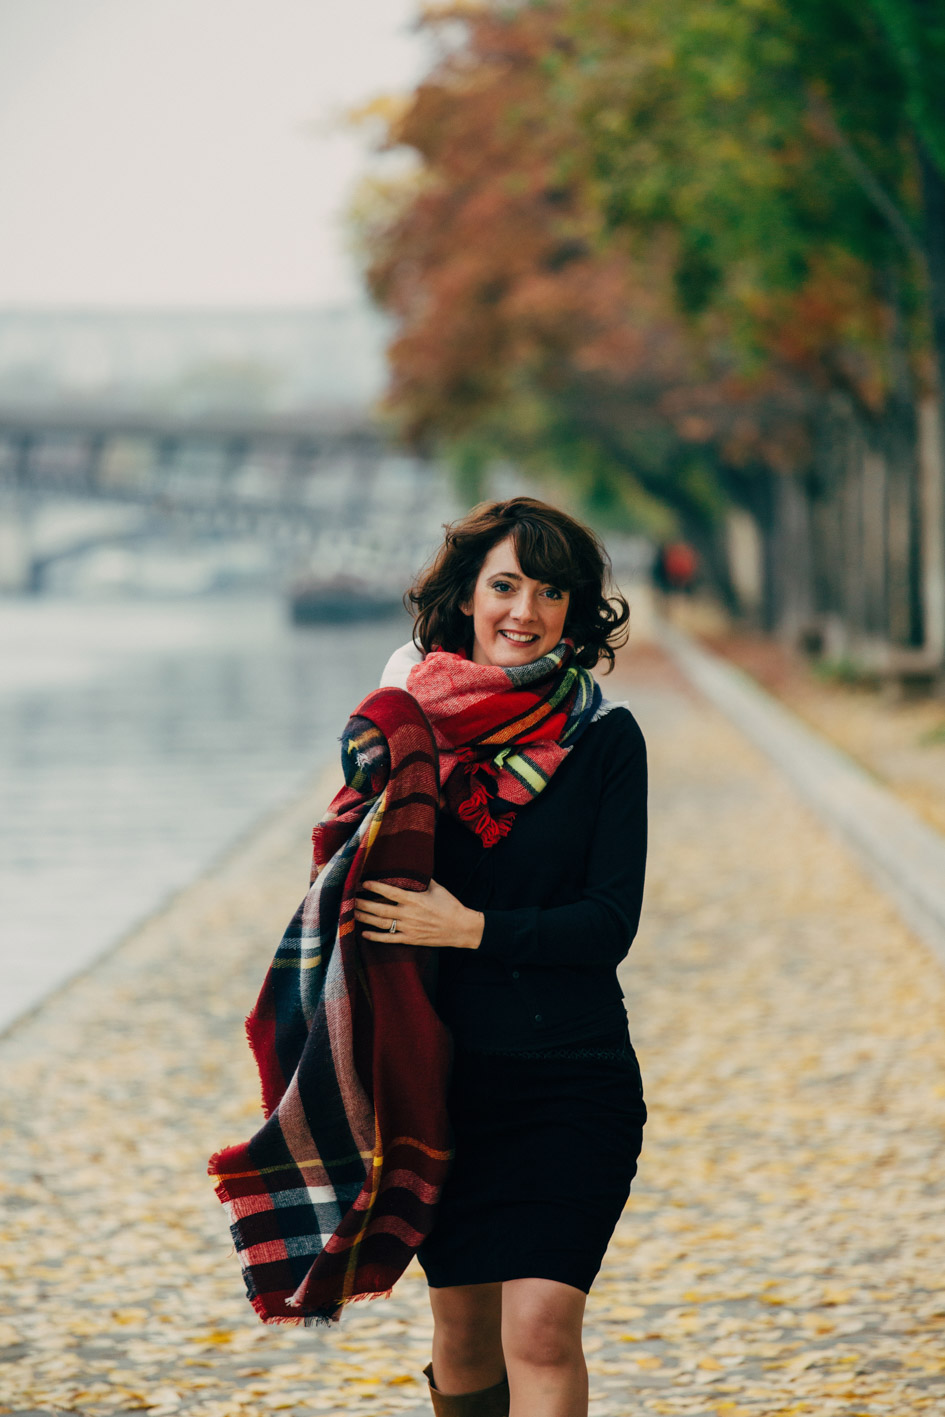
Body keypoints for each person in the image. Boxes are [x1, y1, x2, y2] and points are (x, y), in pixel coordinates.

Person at [354, 497, 648, 1417]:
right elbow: (350, 893)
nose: (524, 610)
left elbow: (608, 924)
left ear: (575, 610)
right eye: (505, 584)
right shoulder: (408, 738)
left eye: (550, 591)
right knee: (464, 1335)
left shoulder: (605, 740)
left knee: (541, 1328)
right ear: (466, 596)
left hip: (572, 1078)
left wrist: (469, 926)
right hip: (447, 1085)